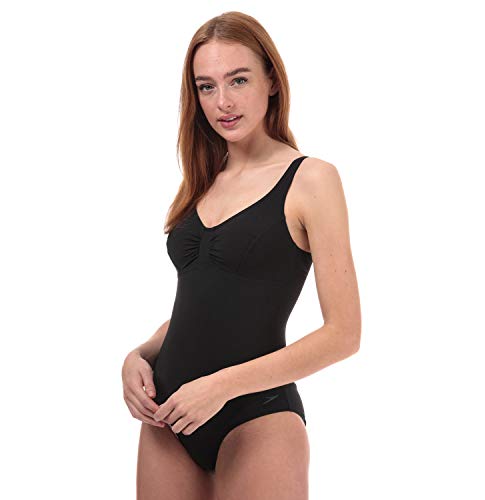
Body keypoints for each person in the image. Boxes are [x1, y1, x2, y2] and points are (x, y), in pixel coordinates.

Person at [122, 11, 361, 500]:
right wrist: (139, 354)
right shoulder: (201, 182)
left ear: (271, 80)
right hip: (169, 417)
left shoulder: (312, 180)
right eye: (206, 87)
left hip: (257, 417)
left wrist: (220, 386)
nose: (223, 102)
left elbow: (344, 334)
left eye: (238, 80)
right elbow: (203, 305)